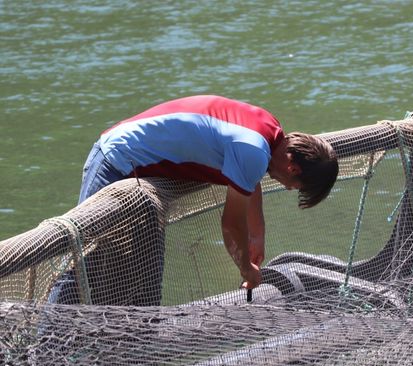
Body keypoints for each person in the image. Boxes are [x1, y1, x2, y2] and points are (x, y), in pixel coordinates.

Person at [74, 95, 339, 295]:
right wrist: (246, 268)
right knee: (84, 261)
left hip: (140, 172)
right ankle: (43, 341)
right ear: (293, 168)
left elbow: (250, 183)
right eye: (296, 186)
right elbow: (231, 224)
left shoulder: (269, 132)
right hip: (116, 159)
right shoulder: (253, 151)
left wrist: (257, 236)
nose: (289, 188)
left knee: (142, 270)